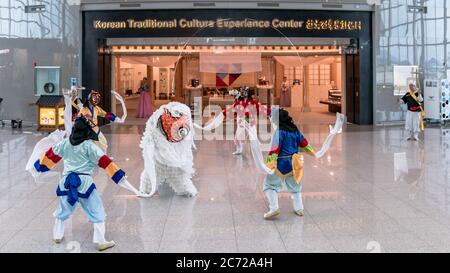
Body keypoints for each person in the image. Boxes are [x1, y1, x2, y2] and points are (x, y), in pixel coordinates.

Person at [31, 116, 147, 251]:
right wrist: (122, 179)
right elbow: (106, 163)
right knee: (97, 212)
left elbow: (49, 157)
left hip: (66, 183)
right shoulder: (89, 146)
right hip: (85, 184)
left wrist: (37, 167)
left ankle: (57, 235)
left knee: (63, 210)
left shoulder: (64, 144)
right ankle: (100, 241)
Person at [262, 108, 316, 219]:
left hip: (281, 164)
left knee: (269, 185)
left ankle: (274, 208)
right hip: (294, 163)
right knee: (295, 186)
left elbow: (274, 150)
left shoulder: (279, 133)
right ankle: (299, 208)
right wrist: (314, 153)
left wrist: (269, 165)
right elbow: (305, 144)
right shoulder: (295, 130)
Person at [223, 87, 270, 155]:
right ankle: (239, 149)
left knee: (253, 136)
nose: (242, 93)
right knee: (238, 135)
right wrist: (223, 113)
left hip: (250, 121)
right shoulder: (238, 102)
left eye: (244, 91)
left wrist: (270, 112)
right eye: (241, 91)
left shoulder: (253, 102)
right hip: (241, 121)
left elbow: (261, 108)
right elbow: (231, 109)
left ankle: (256, 148)